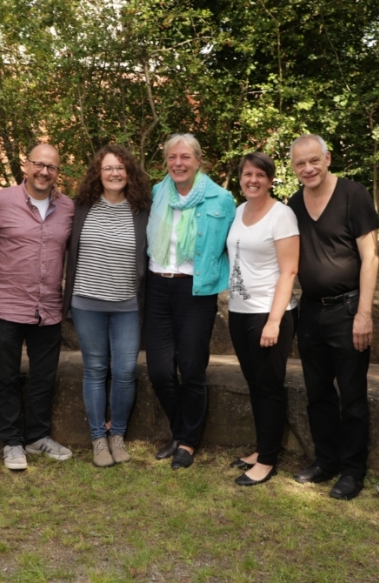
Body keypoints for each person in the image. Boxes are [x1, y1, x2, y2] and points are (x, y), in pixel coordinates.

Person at [288, 134, 379, 500]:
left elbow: (370, 257)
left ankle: (353, 470)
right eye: (300, 163)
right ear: (293, 168)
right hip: (311, 311)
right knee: (318, 394)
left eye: (314, 160)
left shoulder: (353, 195)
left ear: (327, 159)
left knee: (352, 396)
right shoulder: (294, 204)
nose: (308, 168)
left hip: (348, 309)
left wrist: (364, 314)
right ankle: (325, 461)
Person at [145, 133, 236, 470]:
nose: (178, 163)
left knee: (192, 368)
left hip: (196, 291)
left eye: (185, 157)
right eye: (172, 157)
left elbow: (234, 244)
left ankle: (187, 441)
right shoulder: (157, 193)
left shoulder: (220, 198)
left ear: (198, 161)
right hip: (157, 287)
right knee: (159, 370)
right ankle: (179, 430)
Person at [0, 143, 74, 471]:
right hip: (6, 305)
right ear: (26, 165)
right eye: (39, 164)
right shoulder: (0, 201)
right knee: (7, 376)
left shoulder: (67, 207)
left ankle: (37, 436)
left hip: (47, 307)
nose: (44, 172)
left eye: (51, 167)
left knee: (43, 377)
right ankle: (11, 442)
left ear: (58, 172)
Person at [64, 145, 152, 467]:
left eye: (120, 168)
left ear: (129, 173)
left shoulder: (143, 210)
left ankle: (118, 435)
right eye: (108, 168)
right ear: (97, 174)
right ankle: (98, 439)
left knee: (125, 371)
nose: (115, 173)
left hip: (128, 304)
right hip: (87, 302)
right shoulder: (80, 208)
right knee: (96, 370)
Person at [226, 152, 299, 486]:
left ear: (270, 180)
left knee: (269, 386)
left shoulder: (282, 215)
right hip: (239, 311)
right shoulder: (239, 210)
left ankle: (268, 460)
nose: (252, 180)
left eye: (260, 174)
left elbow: (289, 270)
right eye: (247, 174)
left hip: (268, 313)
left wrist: (274, 321)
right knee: (254, 384)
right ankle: (262, 448)